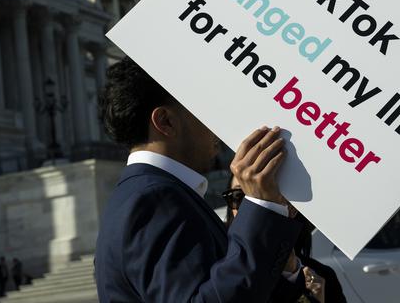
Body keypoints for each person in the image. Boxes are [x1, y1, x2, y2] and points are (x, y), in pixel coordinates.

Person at [95, 57, 303, 302]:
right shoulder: (153, 199)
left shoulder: (150, 193)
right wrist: (261, 206)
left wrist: (286, 266)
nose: (217, 125)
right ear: (166, 121)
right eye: (204, 109)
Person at [224, 175, 347, 303]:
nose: (252, 208)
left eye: (263, 196)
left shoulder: (322, 277)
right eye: (239, 197)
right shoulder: (217, 271)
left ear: (291, 208)